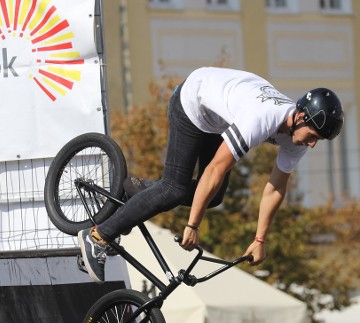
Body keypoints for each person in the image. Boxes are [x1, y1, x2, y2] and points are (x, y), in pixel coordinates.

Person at [77, 66, 344, 282]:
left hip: (220, 118)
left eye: (318, 140)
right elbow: (216, 168)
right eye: (312, 136)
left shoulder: (297, 138)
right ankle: (98, 237)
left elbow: (275, 188)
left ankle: (140, 191)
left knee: (213, 197)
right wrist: (193, 224)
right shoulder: (261, 118)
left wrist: (260, 239)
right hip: (194, 102)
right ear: (300, 117)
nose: (311, 144)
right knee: (174, 190)